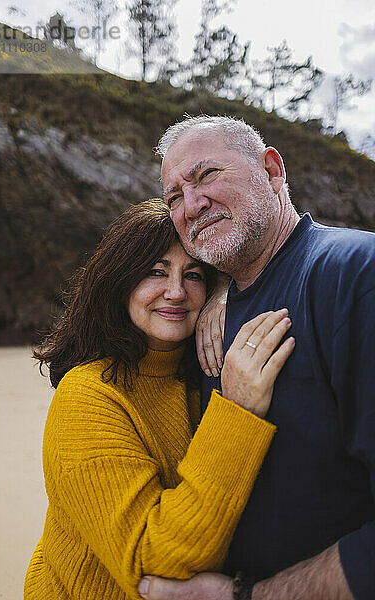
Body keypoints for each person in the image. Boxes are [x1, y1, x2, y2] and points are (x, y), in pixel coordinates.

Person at [137, 116, 375, 600]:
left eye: (207, 175)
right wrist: (221, 286)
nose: (192, 204)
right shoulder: (197, 310)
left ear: (271, 169)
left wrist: (252, 596)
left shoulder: (352, 275)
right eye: (174, 197)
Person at [24, 199, 295, 600]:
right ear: (119, 281)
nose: (176, 292)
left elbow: (274, 228)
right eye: (155, 272)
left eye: (194, 275)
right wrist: (238, 412)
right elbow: (157, 563)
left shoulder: (196, 377)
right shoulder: (88, 395)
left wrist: (226, 293)